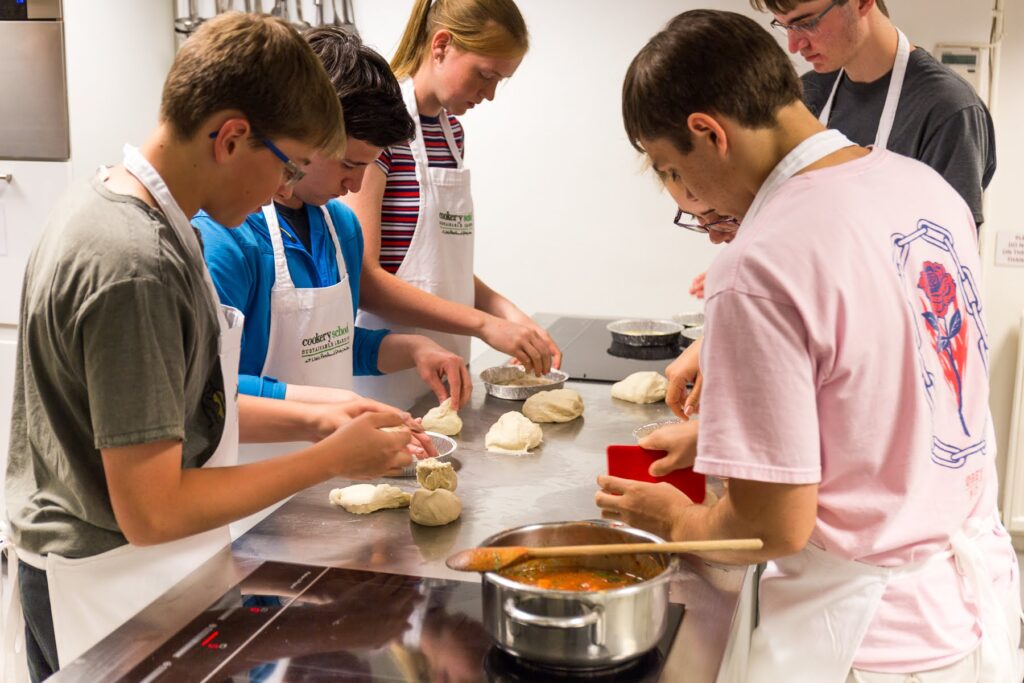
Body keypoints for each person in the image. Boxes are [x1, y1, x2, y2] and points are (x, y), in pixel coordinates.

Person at [599, 10, 1022, 681]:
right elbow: (894, 390)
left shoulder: (760, 259)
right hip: (974, 614)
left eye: (672, 170)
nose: (687, 196)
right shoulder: (926, 191)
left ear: (708, 133)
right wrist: (733, 442)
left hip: (867, 644)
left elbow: (771, 527)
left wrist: (678, 519)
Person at [3, 14, 421, 681]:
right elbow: (152, 509)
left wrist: (324, 417)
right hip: (110, 587)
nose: (284, 192)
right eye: (290, 167)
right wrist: (328, 458)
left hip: (154, 573)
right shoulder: (132, 262)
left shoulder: (141, 220)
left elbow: (192, 410)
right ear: (230, 138)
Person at [195, 27, 472, 409]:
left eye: (368, 167)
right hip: (251, 464)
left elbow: (331, 347)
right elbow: (209, 391)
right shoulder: (227, 239)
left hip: (331, 464)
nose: (356, 184)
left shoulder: (341, 228)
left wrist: (412, 348)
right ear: (306, 134)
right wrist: (328, 412)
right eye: (349, 164)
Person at [344, 0, 561, 410]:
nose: (491, 94)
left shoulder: (452, 136)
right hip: (383, 380)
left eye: (501, 81)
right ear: (441, 45)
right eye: (486, 75)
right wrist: (484, 325)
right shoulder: (378, 131)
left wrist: (508, 314)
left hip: (446, 369)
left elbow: (443, 268)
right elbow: (366, 281)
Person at [752, 0, 995, 228]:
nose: (794, 46)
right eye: (785, 26)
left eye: (807, 23)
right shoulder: (805, 98)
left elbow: (948, 256)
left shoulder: (947, 108)